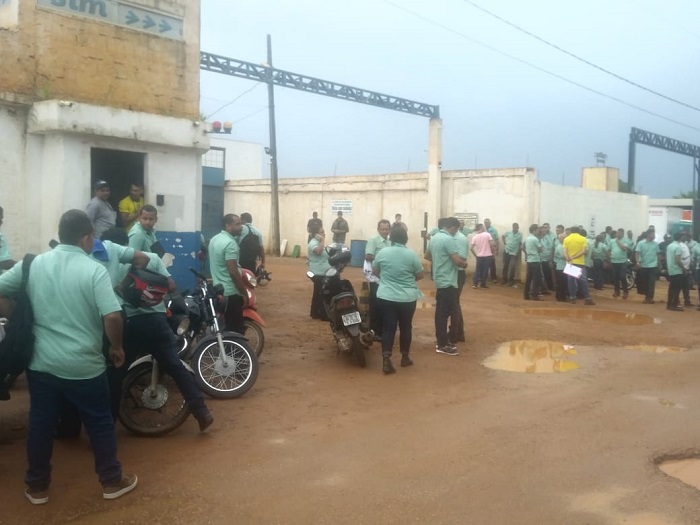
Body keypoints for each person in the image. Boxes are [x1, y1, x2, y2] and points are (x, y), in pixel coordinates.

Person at [0, 210, 137, 504]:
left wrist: (13, 316)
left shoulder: (33, 264)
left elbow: (0, 289)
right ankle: (111, 481)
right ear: (85, 237)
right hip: (84, 366)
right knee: (99, 422)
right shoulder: (93, 270)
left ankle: (37, 487)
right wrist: (117, 347)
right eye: (92, 237)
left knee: (41, 423)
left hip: (41, 364)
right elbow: (112, 315)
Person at [122, 252, 214, 432]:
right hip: (157, 320)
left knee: (117, 372)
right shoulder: (153, 258)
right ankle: (201, 411)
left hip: (130, 322)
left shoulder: (112, 260)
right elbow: (171, 285)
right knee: (176, 367)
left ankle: (107, 423)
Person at [372, 225, 424, 374]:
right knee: (406, 327)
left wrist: (388, 279)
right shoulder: (412, 255)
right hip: (407, 298)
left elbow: (375, 271)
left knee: (389, 328)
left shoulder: (383, 252)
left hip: (386, 296)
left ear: (391, 238)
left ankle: (386, 359)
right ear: (405, 239)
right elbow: (420, 275)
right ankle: (405, 357)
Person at [426, 217, 467, 355]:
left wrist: (439, 260)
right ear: (453, 228)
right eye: (456, 229)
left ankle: (442, 341)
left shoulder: (434, 238)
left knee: (441, 312)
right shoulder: (448, 239)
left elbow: (427, 256)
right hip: (449, 280)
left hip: (440, 278)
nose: (456, 232)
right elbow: (457, 260)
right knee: (443, 313)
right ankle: (442, 344)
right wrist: (464, 264)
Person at [209, 214, 249, 333]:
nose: (241, 227)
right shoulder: (230, 244)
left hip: (218, 290)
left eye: (241, 223)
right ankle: (233, 351)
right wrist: (244, 293)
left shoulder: (215, 239)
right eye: (237, 224)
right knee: (235, 331)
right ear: (228, 226)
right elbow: (233, 271)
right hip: (231, 293)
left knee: (225, 326)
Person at [364, 220, 392, 339]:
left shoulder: (390, 242)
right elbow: (368, 256)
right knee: (375, 304)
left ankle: (383, 329)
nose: (385, 231)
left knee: (385, 304)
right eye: (383, 229)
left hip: (387, 278)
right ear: (378, 229)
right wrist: (382, 258)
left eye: (387, 229)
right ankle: (374, 330)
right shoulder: (373, 240)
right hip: (375, 277)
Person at [563, 226, 595, 305]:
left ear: (571, 231)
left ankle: (572, 297)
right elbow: (583, 251)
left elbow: (564, 251)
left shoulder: (566, 239)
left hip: (570, 263)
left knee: (571, 281)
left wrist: (569, 258)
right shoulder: (582, 239)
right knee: (583, 281)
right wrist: (574, 257)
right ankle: (587, 298)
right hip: (580, 262)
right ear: (579, 231)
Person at [449, 221, 469, 344]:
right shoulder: (452, 238)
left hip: (458, 273)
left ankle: (455, 333)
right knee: (454, 303)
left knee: (454, 304)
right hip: (454, 273)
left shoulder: (460, 239)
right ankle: (459, 332)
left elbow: (461, 258)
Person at [307, 225, 331, 321]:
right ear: (315, 234)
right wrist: (322, 241)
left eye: (323, 232)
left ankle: (315, 313)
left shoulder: (318, 242)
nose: (323, 234)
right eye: (321, 232)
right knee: (322, 292)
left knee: (318, 292)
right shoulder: (313, 243)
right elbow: (318, 252)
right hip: (317, 272)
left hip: (322, 271)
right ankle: (322, 314)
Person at [635, 229, 661, 304]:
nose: (654, 236)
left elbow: (658, 254)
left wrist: (659, 264)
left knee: (652, 282)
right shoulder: (641, 243)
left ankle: (650, 298)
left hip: (653, 266)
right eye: (653, 234)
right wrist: (637, 262)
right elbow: (637, 253)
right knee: (645, 282)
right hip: (644, 266)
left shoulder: (655, 244)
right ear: (648, 234)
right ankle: (647, 296)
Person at [523, 224, 545, 301]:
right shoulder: (535, 239)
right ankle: (534, 294)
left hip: (529, 260)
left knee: (529, 278)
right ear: (534, 230)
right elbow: (541, 249)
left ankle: (526, 294)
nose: (538, 231)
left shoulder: (527, 238)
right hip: (535, 260)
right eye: (537, 230)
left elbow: (523, 247)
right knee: (536, 278)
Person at [470, 223, 494, 289]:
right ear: (482, 228)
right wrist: (493, 252)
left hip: (479, 256)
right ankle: (483, 284)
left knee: (478, 270)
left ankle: (475, 284)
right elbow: (491, 244)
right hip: (488, 255)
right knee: (485, 270)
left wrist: (476, 256)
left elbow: (471, 248)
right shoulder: (487, 234)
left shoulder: (475, 237)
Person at [666, 232, 685, 311]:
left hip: (671, 269)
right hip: (677, 270)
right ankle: (674, 305)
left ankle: (669, 304)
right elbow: (678, 260)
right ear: (680, 238)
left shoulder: (670, 246)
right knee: (677, 289)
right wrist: (684, 268)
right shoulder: (678, 247)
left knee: (671, 288)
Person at [610, 228, 630, 299]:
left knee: (622, 277)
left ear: (622, 234)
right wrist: (610, 257)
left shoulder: (626, 240)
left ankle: (625, 292)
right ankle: (616, 291)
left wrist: (618, 241)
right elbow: (609, 249)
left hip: (622, 262)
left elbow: (624, 248)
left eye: (620, 233)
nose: (618, 234)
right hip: (614, 261)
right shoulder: (612, 241)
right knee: (615, 278)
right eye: (617, 233)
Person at [540, 223, 556, 291]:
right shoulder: (539, 237)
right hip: (541, 258)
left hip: (549, 257)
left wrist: (550, 257)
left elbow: (552, 247)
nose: (545, 229)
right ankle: (543, 288)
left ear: (549, 227)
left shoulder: (552, 236)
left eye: (546, 227)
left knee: (549, 273)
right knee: (541, 274)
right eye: (544, 227)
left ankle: (550, 286)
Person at [0, 206, 16, 270]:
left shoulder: (1, 237)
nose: (2, 222)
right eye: (0, 218)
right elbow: (4, 262)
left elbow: (5, 261)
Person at [553, 232, 568, 302]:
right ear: (561, 239)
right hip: (561, 267)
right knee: (561, 283)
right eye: (564, 238)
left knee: (563, 283)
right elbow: (563, 256)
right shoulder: (560, 247)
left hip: (564, 266)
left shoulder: (563, 246)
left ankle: (560, 296)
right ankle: (560, 297)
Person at [679, 231, 693, 307]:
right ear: (681, 236)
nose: (687, 237)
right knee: (678, 286)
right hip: (681, 268)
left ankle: (687, 301)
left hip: (687, 268)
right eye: (685, 235)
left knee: (686, 286)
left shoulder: (686, 244)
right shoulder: (679, 245)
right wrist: (683, 268)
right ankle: (677, 301)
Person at [484, 218, 499, 283]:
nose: (486, 223)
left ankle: (493, 277)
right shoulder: (483, 230)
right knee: (484, 263)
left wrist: (497, 249)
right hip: (484, 248)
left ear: (490, 223)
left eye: (487, 222)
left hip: (491, 248)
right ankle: (484, 277)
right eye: (485, 222)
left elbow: (497, 239)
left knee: (492, 263)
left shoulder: (494, 230)